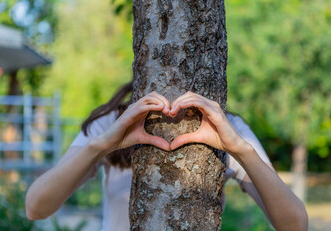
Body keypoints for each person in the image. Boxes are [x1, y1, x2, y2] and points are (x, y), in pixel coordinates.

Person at [25, 82, 308, 231]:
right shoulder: (114, 120)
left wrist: (239, 149)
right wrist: (102, 145)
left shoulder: (226, 125)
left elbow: (295, 225)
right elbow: (36, 207)